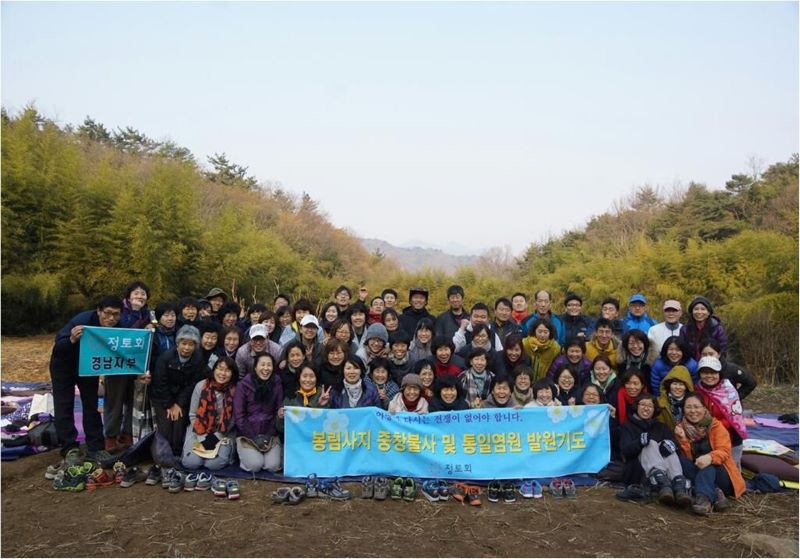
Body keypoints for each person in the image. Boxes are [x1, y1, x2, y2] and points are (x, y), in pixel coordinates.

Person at [49, 295, 123, 465]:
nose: (111, 318)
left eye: (116, 314)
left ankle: (96, 448)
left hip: (88, 366)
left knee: (91, 404)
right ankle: (70, 448)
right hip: (63, 365)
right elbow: (58, 346)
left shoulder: (119, 326)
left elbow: (130, 348)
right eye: (107, 313)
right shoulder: (82, 320)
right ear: (98, 311)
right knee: (64, 404)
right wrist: (71, 340)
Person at [674, 394, 746, 515]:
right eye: (688, 407)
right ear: (683, 409)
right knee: (680, 461)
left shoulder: (716, 426)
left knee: (709, 466)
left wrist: (710, 457)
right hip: (699, 471)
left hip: (722, 475)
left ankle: (703, 498)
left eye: (697, 407)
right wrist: (683, 440)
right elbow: (689, 459)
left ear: (704, 408)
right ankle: (715, 492)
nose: (693, 411)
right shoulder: (681, 428)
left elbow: (724, 451)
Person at [618, 394, 690, 506]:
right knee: (650, 443)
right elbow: (625, 452)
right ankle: (662, 483)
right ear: (636, 406)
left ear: (654, 409)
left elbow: (677, 448)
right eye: (642, 405)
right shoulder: (627, 426)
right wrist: (639, 442)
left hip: (668, 471)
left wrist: (670, 445)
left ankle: (678, 485)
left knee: (668, 445)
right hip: (638, 470)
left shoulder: (661, 426)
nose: (646, 408)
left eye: (650, 406)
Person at [104, 281, 150, 452]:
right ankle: (110, 435)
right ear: (128, 296)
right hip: (117, 363)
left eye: (143, 293)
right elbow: (122, 332)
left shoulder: (148, 315)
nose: (140, 296)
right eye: (136, 293)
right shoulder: (119, 312)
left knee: (134, 399)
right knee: (114, 400)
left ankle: (128, 433)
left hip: (137, 364)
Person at [151, 325, 209, 456]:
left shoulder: (198, 359)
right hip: (162, 398)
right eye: (184, 343)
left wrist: (178, 404)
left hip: (182, 398)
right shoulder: (165, 358)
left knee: (179, 424)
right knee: (166, 426)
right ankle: (164, 455)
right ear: (178, 343)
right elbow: (160, 383)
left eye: (191, 344)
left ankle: (177, 454)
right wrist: (170, 405)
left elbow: (192, 384)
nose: (187, 348)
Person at [181, 356, 238, 471]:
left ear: (232, 373)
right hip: (198, 430)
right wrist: (203, 438)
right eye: (220, 368)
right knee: (191, 463)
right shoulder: (201, 386)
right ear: (214, 370)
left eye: (227, 370)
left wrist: (215, 437)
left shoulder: (236, 390)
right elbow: (192, 414)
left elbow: (234, 419)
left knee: (213, 465)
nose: (223, 373)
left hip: (223, 433)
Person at [693, 356, 747, 468]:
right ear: (699, 374)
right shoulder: (696, 390)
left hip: (727, 436)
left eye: (713, 372)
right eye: (705, 372)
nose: (709, 376)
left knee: (730, 470)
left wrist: (714, 427)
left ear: (719, 374)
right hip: (702, 436)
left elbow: (734, 417)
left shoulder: (728, 391)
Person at [233, 353, 283, 473]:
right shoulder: (243, 385)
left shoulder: (277, 384)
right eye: (262, 365)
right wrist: (253, 436)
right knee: (255, 465)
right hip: (248, 434)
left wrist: (269, 434)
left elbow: (278, 410)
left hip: (270, 434)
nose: (266, 369)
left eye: (269, 365)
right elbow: (239, 416)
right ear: (255, 367)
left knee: (273, 466)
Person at [680, 296, 729, 362]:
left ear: (708, 313)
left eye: (703, 309)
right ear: (692, 312)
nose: (699, 312)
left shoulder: (717, 328)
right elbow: (682, 349)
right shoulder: (685, 329)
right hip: (691, 363)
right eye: (696, 309)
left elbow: (722, 349)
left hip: (712, 362)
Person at [656, 365, 694, 432]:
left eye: (681, 384)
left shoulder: (693, 403)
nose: (678, 387)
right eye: (675, 384)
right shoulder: (659, 403)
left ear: (687, 387)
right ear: (669, 385)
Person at [150, 301, 178, 365]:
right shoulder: (152, 333)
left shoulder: (179, 333)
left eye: (173, 315)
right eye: (166, 315)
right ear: (159, 318)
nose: (170, 318)